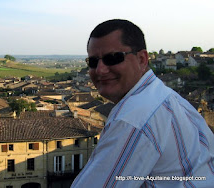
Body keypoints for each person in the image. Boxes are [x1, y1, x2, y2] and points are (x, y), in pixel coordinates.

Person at [71, 19, 214, 187]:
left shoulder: (133, 119)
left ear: (142, 59)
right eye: (93, 62)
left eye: (113, 58)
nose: (100, 70)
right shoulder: (168, 98)